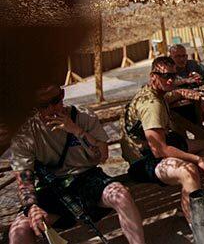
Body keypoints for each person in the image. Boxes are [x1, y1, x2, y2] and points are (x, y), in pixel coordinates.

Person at [9, 85, 145, 244]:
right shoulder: (26, 132)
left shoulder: (82, 116)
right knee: (19, 231)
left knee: (121, 195)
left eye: (55, 101)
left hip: (87, 177)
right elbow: (24, 178)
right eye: (44, 106)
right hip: (53, 186)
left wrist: (76, 130)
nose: (52, 109)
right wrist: (32, 207)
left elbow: (102, 156)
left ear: (62, 95)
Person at [120, 56, 204, 239]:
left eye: (173, 75)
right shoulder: (151, 104)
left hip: (160, 147)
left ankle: (188, 203)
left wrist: (200, 96)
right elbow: (159, 150)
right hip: (143, 161)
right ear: (153, 76)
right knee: (189, 170)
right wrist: (196, 159)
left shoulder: (154, 93)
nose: (170, 79)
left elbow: (177, 93)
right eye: (164, 75)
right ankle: (200, 232)